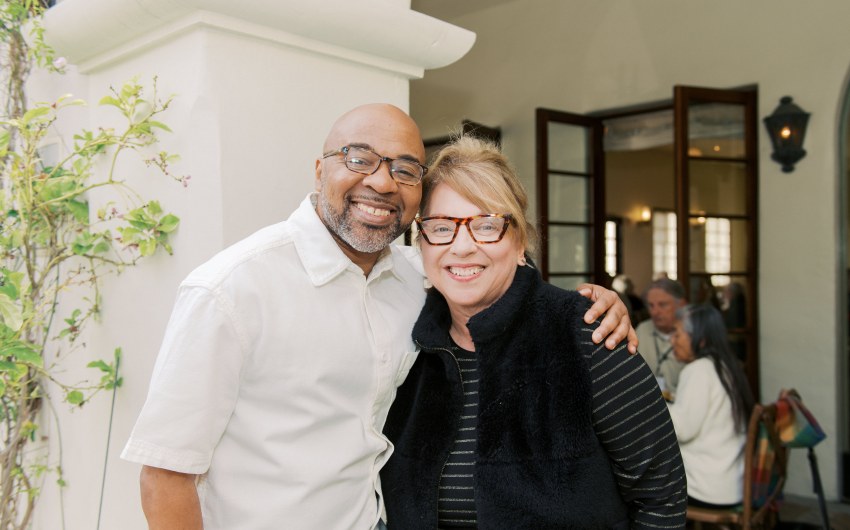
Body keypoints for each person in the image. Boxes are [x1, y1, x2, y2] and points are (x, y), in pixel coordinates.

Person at [120, 104, 636, 529]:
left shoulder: (417, 275)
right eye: (358, 158)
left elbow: (491, 263)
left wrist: (588, 307)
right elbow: (165, 474)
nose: (383, 183)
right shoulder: (232, 290)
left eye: (406, 169)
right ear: (319, 169)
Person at [380, 136, 687, 528]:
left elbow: (661, 498)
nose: (461, 246)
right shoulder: (408, 344)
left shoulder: (586, 335)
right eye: (442, 228)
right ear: (421, 242)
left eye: (487, 225)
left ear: (520, 241)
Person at [667, 303, 756, 509]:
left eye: (677, 334)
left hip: (704, 487)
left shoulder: (699, 370)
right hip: (729, 483)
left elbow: (682, 429)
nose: (672, 341)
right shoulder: (726, 366)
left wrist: (652, 404)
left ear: (701, 339)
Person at [636, 277, 688, 396]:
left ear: (681, 304)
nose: (655, 312)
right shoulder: (641, 330)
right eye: (651, 305)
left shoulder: (691, 334)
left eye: (662, 305)